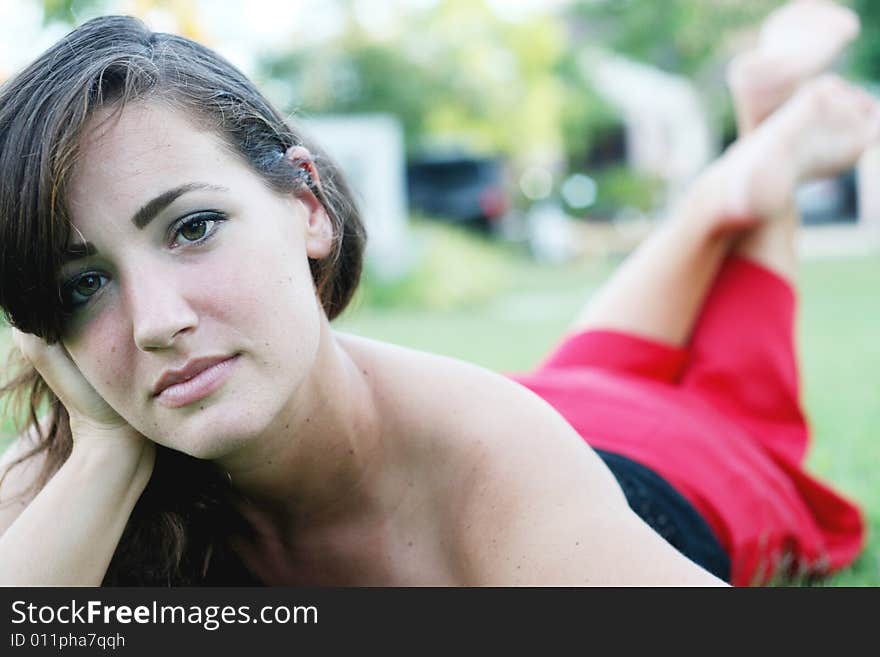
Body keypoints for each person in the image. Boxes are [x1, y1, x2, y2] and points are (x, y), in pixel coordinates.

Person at [0, 1, 871, 586]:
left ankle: (758, 154)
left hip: (665, 466)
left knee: (742, 396)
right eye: (83, 282)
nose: (156, 323)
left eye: (192, 228)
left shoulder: (499, 464)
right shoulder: (67, 472)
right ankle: (747, 163)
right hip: (558, 396)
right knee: (601, 365)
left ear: (306, 207)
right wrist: (108, 450)